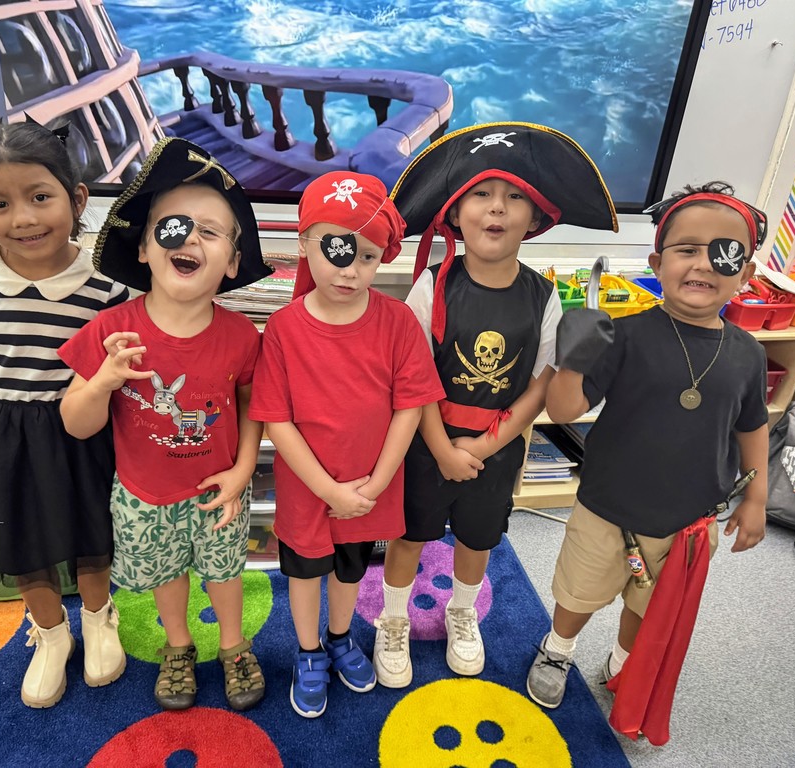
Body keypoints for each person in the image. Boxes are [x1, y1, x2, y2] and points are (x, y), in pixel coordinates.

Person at [376, 123, 618, 688]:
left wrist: (484, 446)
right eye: (482, 194)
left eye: (514, 198)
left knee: (478, 536)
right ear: (455, 213)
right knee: (410, 535)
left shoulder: (544, 294)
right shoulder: (431, 287)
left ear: (535, 220)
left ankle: (462, 612)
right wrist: (440, 447)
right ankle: (393, 619)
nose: (497, 209)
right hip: (425, 442)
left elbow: (540, 383)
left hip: (498, 447)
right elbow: (411, 380)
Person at [527, 181, 769, 745]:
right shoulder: (627, 335)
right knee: (579, 594)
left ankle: (622, 662)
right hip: (608, 507)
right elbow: (564, 408)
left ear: (746, 273)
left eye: (724, 253)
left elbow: (752, 424)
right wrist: (572, 357)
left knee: (650, 603)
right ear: (657, 262)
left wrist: (757, 495)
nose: (703, 264)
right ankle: (558, 649)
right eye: (686, 249)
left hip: (688, 520)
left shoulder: (748, 354)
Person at [58, 137, 272, 712]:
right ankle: (179, 646)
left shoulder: (241, 336)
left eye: (212, 230)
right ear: (147, 247)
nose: (192, 238)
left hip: (218, 488)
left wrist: (245, 467)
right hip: (142, 494)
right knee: (167, 574)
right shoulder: (111, 330)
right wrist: (103, 380)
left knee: (225, 573)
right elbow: (76, 424)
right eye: (175, 227)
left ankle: (232, 644)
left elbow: (253, 402)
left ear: (230, 261)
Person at [0, 120, 130, 708]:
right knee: (18, 537)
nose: (24, 218)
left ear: (78, 198)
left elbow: (111, 362)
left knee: (91, 531)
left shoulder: (105, 285)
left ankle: (98, 618)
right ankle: (49, 633)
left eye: (41, 196)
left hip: (78, 430)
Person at [249, 171, 444, 718]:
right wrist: (327, 488)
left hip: (368, 489)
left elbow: (410, 407)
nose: (348, 269)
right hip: (309, 490)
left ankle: (340, 638)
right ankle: (309, 652)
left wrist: (375, 485)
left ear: (384, 256)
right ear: (305, 245)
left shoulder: (398, 322)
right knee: (306, 571)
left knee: (350, 572)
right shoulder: (284, 329)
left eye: (365, 256)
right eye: (335, 251)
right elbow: (275, 419)